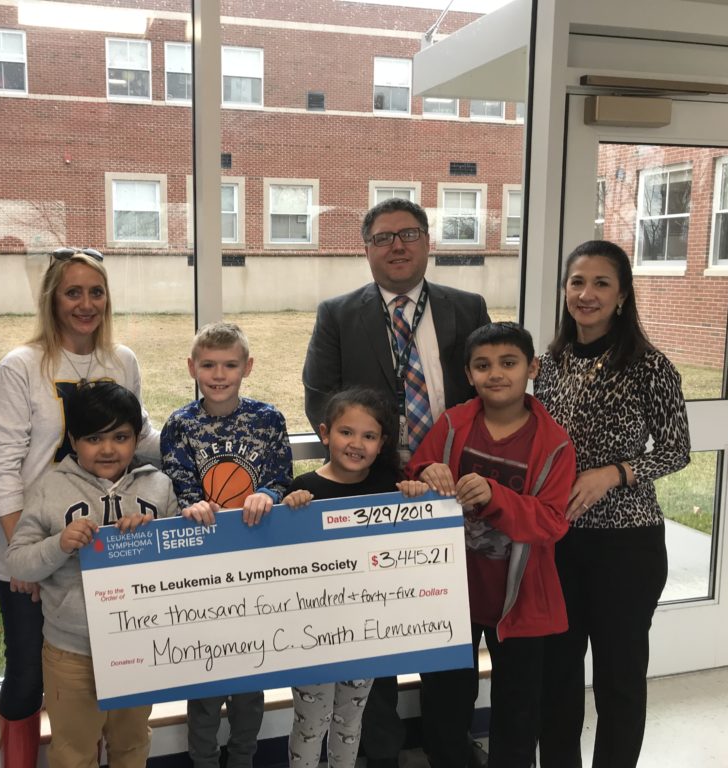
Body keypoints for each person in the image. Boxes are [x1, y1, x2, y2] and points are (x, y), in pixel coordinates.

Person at [302, 197, 490, 768]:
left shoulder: (468, 306)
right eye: (383, 238)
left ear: (428, 242)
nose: (397, 246)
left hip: (452, 491)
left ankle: (447, 749)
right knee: (372, 630)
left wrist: (451, 469)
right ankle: (376, 753)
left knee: (449, 627)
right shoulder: (337, 313)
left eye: (408, 234)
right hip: (375, 493)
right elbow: (319, 399)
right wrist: (371, 462)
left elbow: (490, 394)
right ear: (366, 250)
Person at [0, 247, 159, 767]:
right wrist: (26, 554)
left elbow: (141, 438)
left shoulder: (120, 360)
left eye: (96, 291)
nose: (86, 303)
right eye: (73, 292)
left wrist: (205, 433)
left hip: (102, 547)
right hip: (33, 543)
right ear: (52, 299)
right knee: (28, 675)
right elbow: (2, 467)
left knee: (104, 669)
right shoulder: (22, 365)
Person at [535, 240, 691, 768]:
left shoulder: (649, 365)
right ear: (564, 291)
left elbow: (677, 450)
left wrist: (616, 473)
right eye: (577, 282)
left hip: (627, 545)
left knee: (618, 678)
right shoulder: (549, 364)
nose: (587, 293)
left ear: (622, 295)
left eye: (602, 283)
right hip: (558, 541)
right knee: (558, 675)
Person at [406, 322, 576, 768]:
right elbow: (415, 474)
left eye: (508, 363)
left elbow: (553, 522)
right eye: (483, 365)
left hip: (521, 605)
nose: (496, 373)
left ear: (532, 368)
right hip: (451, 596)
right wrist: (426, 472)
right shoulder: (452, 423)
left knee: (518, 714)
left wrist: (495, 497)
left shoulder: (554, 443)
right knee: (444, 703)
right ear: (469, 373)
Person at [6, 381, 178, 768]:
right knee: (72, 751)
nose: (108, 449)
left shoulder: (159, 486)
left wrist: (153, 538)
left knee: (132, 744)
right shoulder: (50, 488)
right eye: (94, 438)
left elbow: (179, 567)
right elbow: (18, 562)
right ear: (73, 439)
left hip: (139, 644)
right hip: (72, 652)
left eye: (121, 437)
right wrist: (60, 544)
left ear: (136, 438)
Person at [160, 321, 293, 768]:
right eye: (209, 365)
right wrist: (192, 505)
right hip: (202, 570)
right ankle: (201, 760)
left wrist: (268, 495)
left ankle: (243, 759)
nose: (219, 374)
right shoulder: (180, 424)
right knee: (204, 683)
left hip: (255, 564)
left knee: (249, 684)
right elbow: (175, 482)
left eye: (230, 365)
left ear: (247, 367)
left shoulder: (268, 419)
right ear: (192, 367)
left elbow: (280, 477)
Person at [282, 387, 429, 768]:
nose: (356, 444)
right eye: (346, 432)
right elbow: (283, 560)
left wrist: (414, 494)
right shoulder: (304, 490)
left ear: (382, 444)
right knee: (310, 723)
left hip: (364, 634)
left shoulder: (390, 491)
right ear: (324, 433)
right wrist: (290, 507)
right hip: (310, 634)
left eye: (369, 436)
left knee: (350, 722)